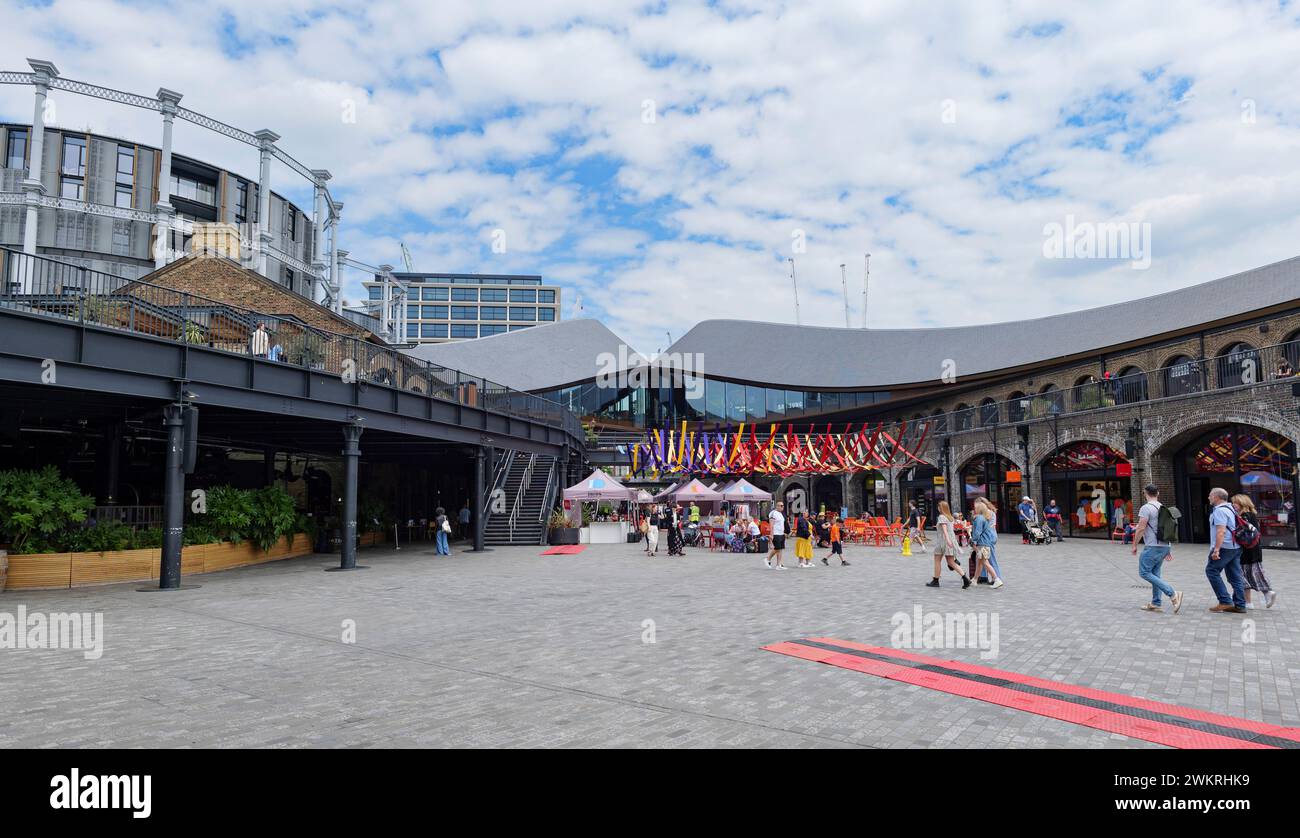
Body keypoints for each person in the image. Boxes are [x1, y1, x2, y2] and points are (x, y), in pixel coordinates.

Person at [1131, 484, 1183, 613]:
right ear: (1158, 493)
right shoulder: (1162, 507)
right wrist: (1167, 549)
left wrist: (1134, 544)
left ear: (1145, 493)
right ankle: (1156, 602)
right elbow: (1164, 527)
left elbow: (1142, 528)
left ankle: (1172, 593)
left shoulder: (1146, 508)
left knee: (1144, 573)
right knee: (1155, 574)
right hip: (1164, 545)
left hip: (1153, 546)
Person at [1206, 487, 1246, 613]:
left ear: (1216, 497)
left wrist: (1216, 549)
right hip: (1235, 547)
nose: (1209, 497)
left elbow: (1221, 531)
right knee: (1235, 576)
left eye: (1210, 495)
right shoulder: (1231, 508)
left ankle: (1225, 601)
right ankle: (1240, 605)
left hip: (1225, 547)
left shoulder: (1219, 511)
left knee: (1211, 570)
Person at [1233, 494, 1276, 609]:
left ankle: (1250, 601)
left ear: (1242, 503)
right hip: (1254, 548)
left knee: (1242, 575)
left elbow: (1241, 533)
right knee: (1254, 574)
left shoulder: (1243, 516)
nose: (1233, 505)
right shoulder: (1252, 515)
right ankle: (1265, 594)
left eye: (1235, 503)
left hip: (1245, 550)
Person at [927, 501, 970, 588]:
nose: (938, 508)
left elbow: (945, 530)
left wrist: (947, 540)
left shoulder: (942, 516)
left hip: (943, 541)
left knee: (937, 560)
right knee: (951, 562)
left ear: (941, 508)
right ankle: (965, 578)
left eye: (939, 507)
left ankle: (936, 580)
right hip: (950, 540)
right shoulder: (950, 517)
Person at [970, 498, 1003, 588]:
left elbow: (977, 532)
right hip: (987, 541)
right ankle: (975, 579)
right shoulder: (986, 516)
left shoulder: (980, 518)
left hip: (983, 542)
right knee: (980, 560)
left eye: (975, 506)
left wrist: (973, 541)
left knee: (985, 561)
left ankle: (996, 579)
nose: (974, 508)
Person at [767, 501, 787, 569]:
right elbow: (771, 525)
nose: (782, 507)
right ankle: (768, 559)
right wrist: (771, 535)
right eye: (781, 506)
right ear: (777, 506)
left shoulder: (781, 514)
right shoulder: (773, 513)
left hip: (781, 533)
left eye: (783, 505)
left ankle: (778, 565)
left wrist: (784, 532)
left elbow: (781, 524)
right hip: (776, 533)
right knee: (777, 549)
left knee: (780, 549)